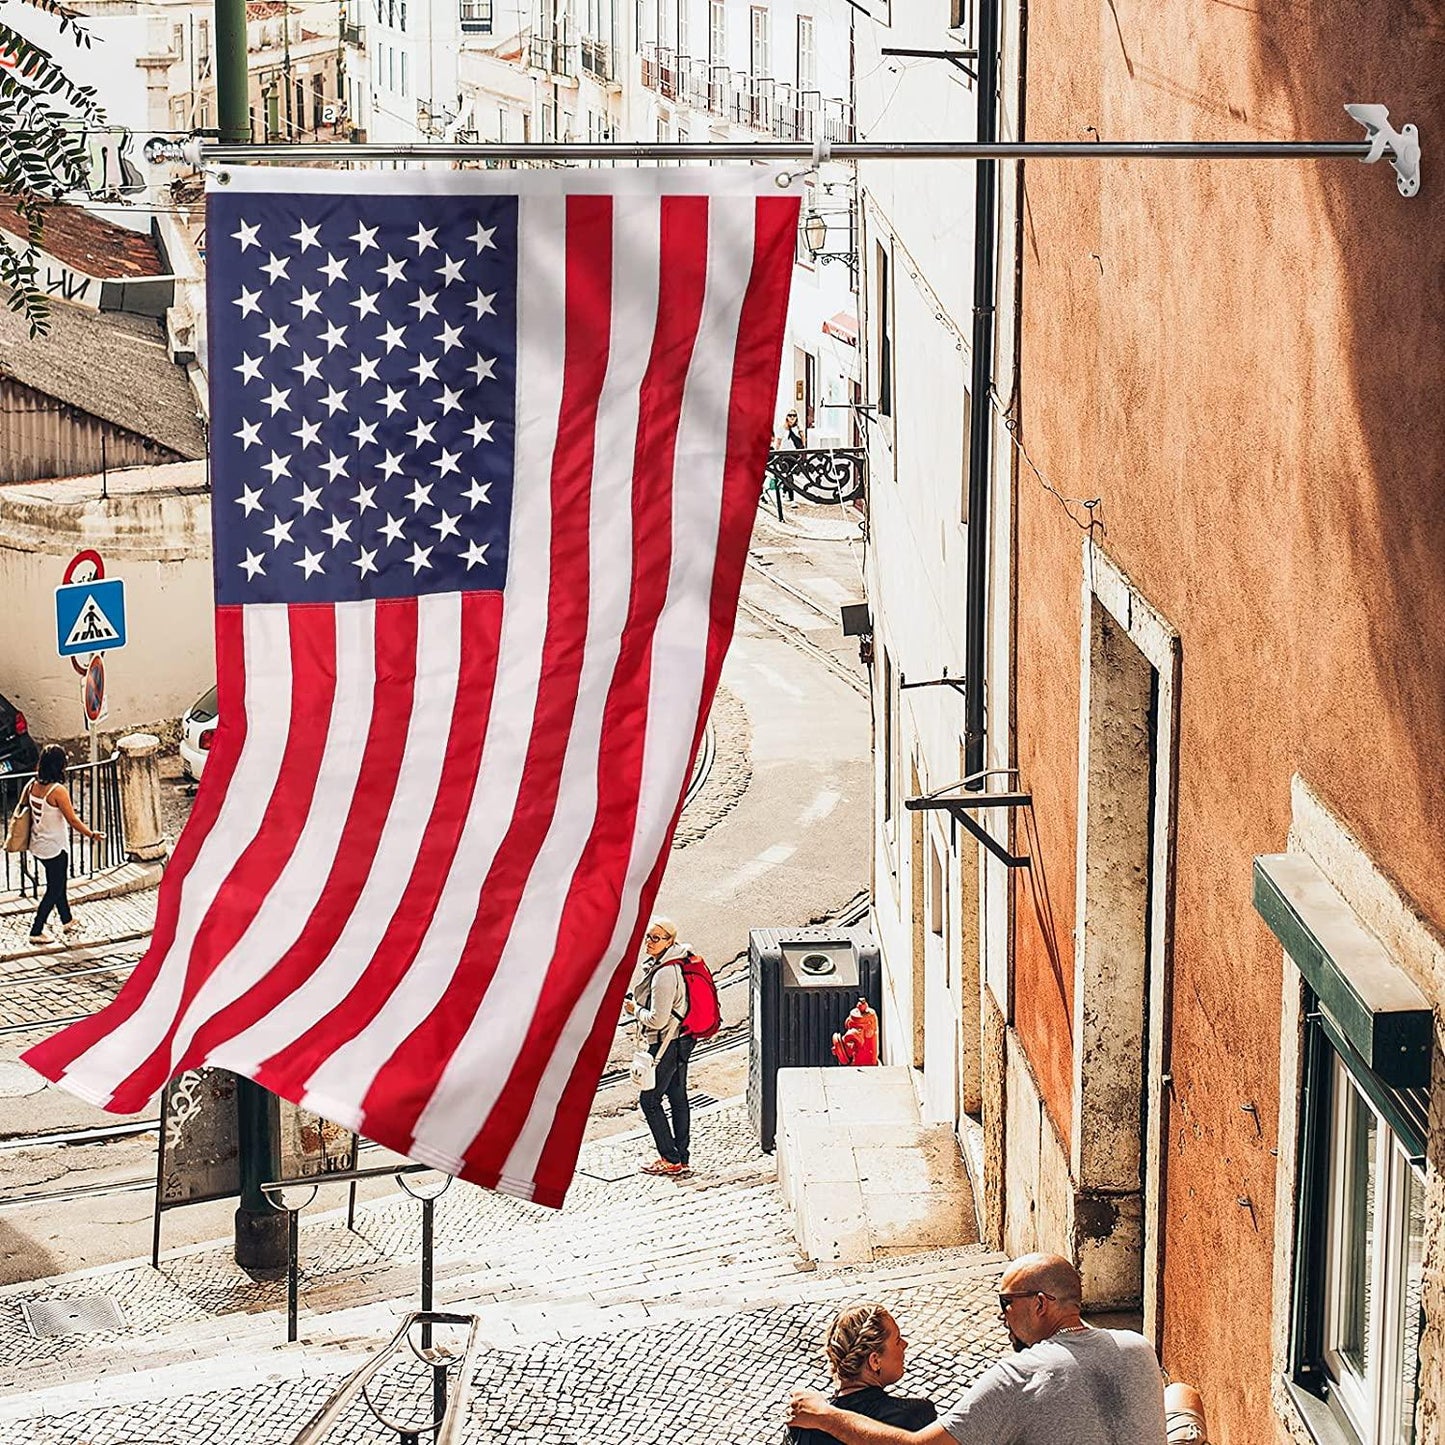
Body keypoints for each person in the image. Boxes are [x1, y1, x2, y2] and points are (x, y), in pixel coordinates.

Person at [788, 1254, 1167, 1444]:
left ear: (1039, 1304)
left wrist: (824, 1415)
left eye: (1006, 1302)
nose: (1002, 1316)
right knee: (1182, 1395)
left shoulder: (1017, 1378)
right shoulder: (1139, 1347)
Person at [789, 1303, 936, 1444]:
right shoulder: (916, 1417)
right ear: (875, 1361)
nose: (905, 1344)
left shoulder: (803, 1423)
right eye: (897, 1340)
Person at [623, 915, 696, 1178]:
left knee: (650, 1100)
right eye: (648, 936)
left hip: (666, 1043)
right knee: (677, 1098)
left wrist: (635, 1009)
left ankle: (670, 1158)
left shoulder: (664, 974)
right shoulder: (668, 962)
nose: (649, 942)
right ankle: (682, 1157)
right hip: (680, 1040)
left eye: (656, 938)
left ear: (669, 941)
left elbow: (658, 1019)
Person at [24, 744, 101, 945]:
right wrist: (91, 834)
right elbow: (73, 820)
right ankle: (36, 929)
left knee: (59, 884)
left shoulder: (32, 785)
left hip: (38, 845)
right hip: (55, 847)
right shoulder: (57, 791)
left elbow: (24, 807)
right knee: (54, 889)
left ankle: (67, 920)